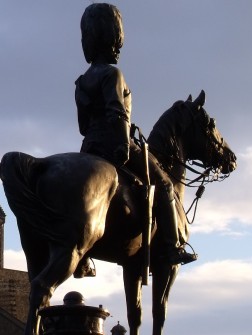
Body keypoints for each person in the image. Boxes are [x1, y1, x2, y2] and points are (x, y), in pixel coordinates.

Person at [73, 3, 196, 278]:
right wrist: (124, 147)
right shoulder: (113, 75)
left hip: (89, 148)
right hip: (116, 144)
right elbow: (118, 115)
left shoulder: (82, 81)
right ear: (111, 38)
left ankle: (82, 256)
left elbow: (83, 126)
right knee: (164, 183)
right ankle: (173, 245)